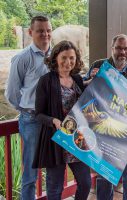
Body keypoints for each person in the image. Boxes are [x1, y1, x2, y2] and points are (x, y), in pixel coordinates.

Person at [85, 34, 127, 200]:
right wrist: (90, 80)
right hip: (103, 130)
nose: (123, 52)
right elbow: (83, 93)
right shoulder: (99, 66)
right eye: (119, 48)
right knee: (104, 175)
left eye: (126, 49)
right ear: (112, 49)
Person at [32, 40, 91, 199]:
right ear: (55, 58)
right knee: (54, 188)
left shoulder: (78, 79)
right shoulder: (46, 81)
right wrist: (54, 121)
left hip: (77, 140)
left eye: (72, 58)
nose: (68, 62)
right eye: (64, 57)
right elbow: (38, 114)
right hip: (56, 141)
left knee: (86, 183)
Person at [5, 15, 52, 200]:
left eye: (48, 30)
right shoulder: (22, 58)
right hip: (31, 120)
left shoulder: (56, 55)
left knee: (54, 170)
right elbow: (12, 93)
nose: (45, 34)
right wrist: (26, 109)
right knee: (31, 173)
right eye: (40, 30)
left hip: (53, 120)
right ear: (30, 32)